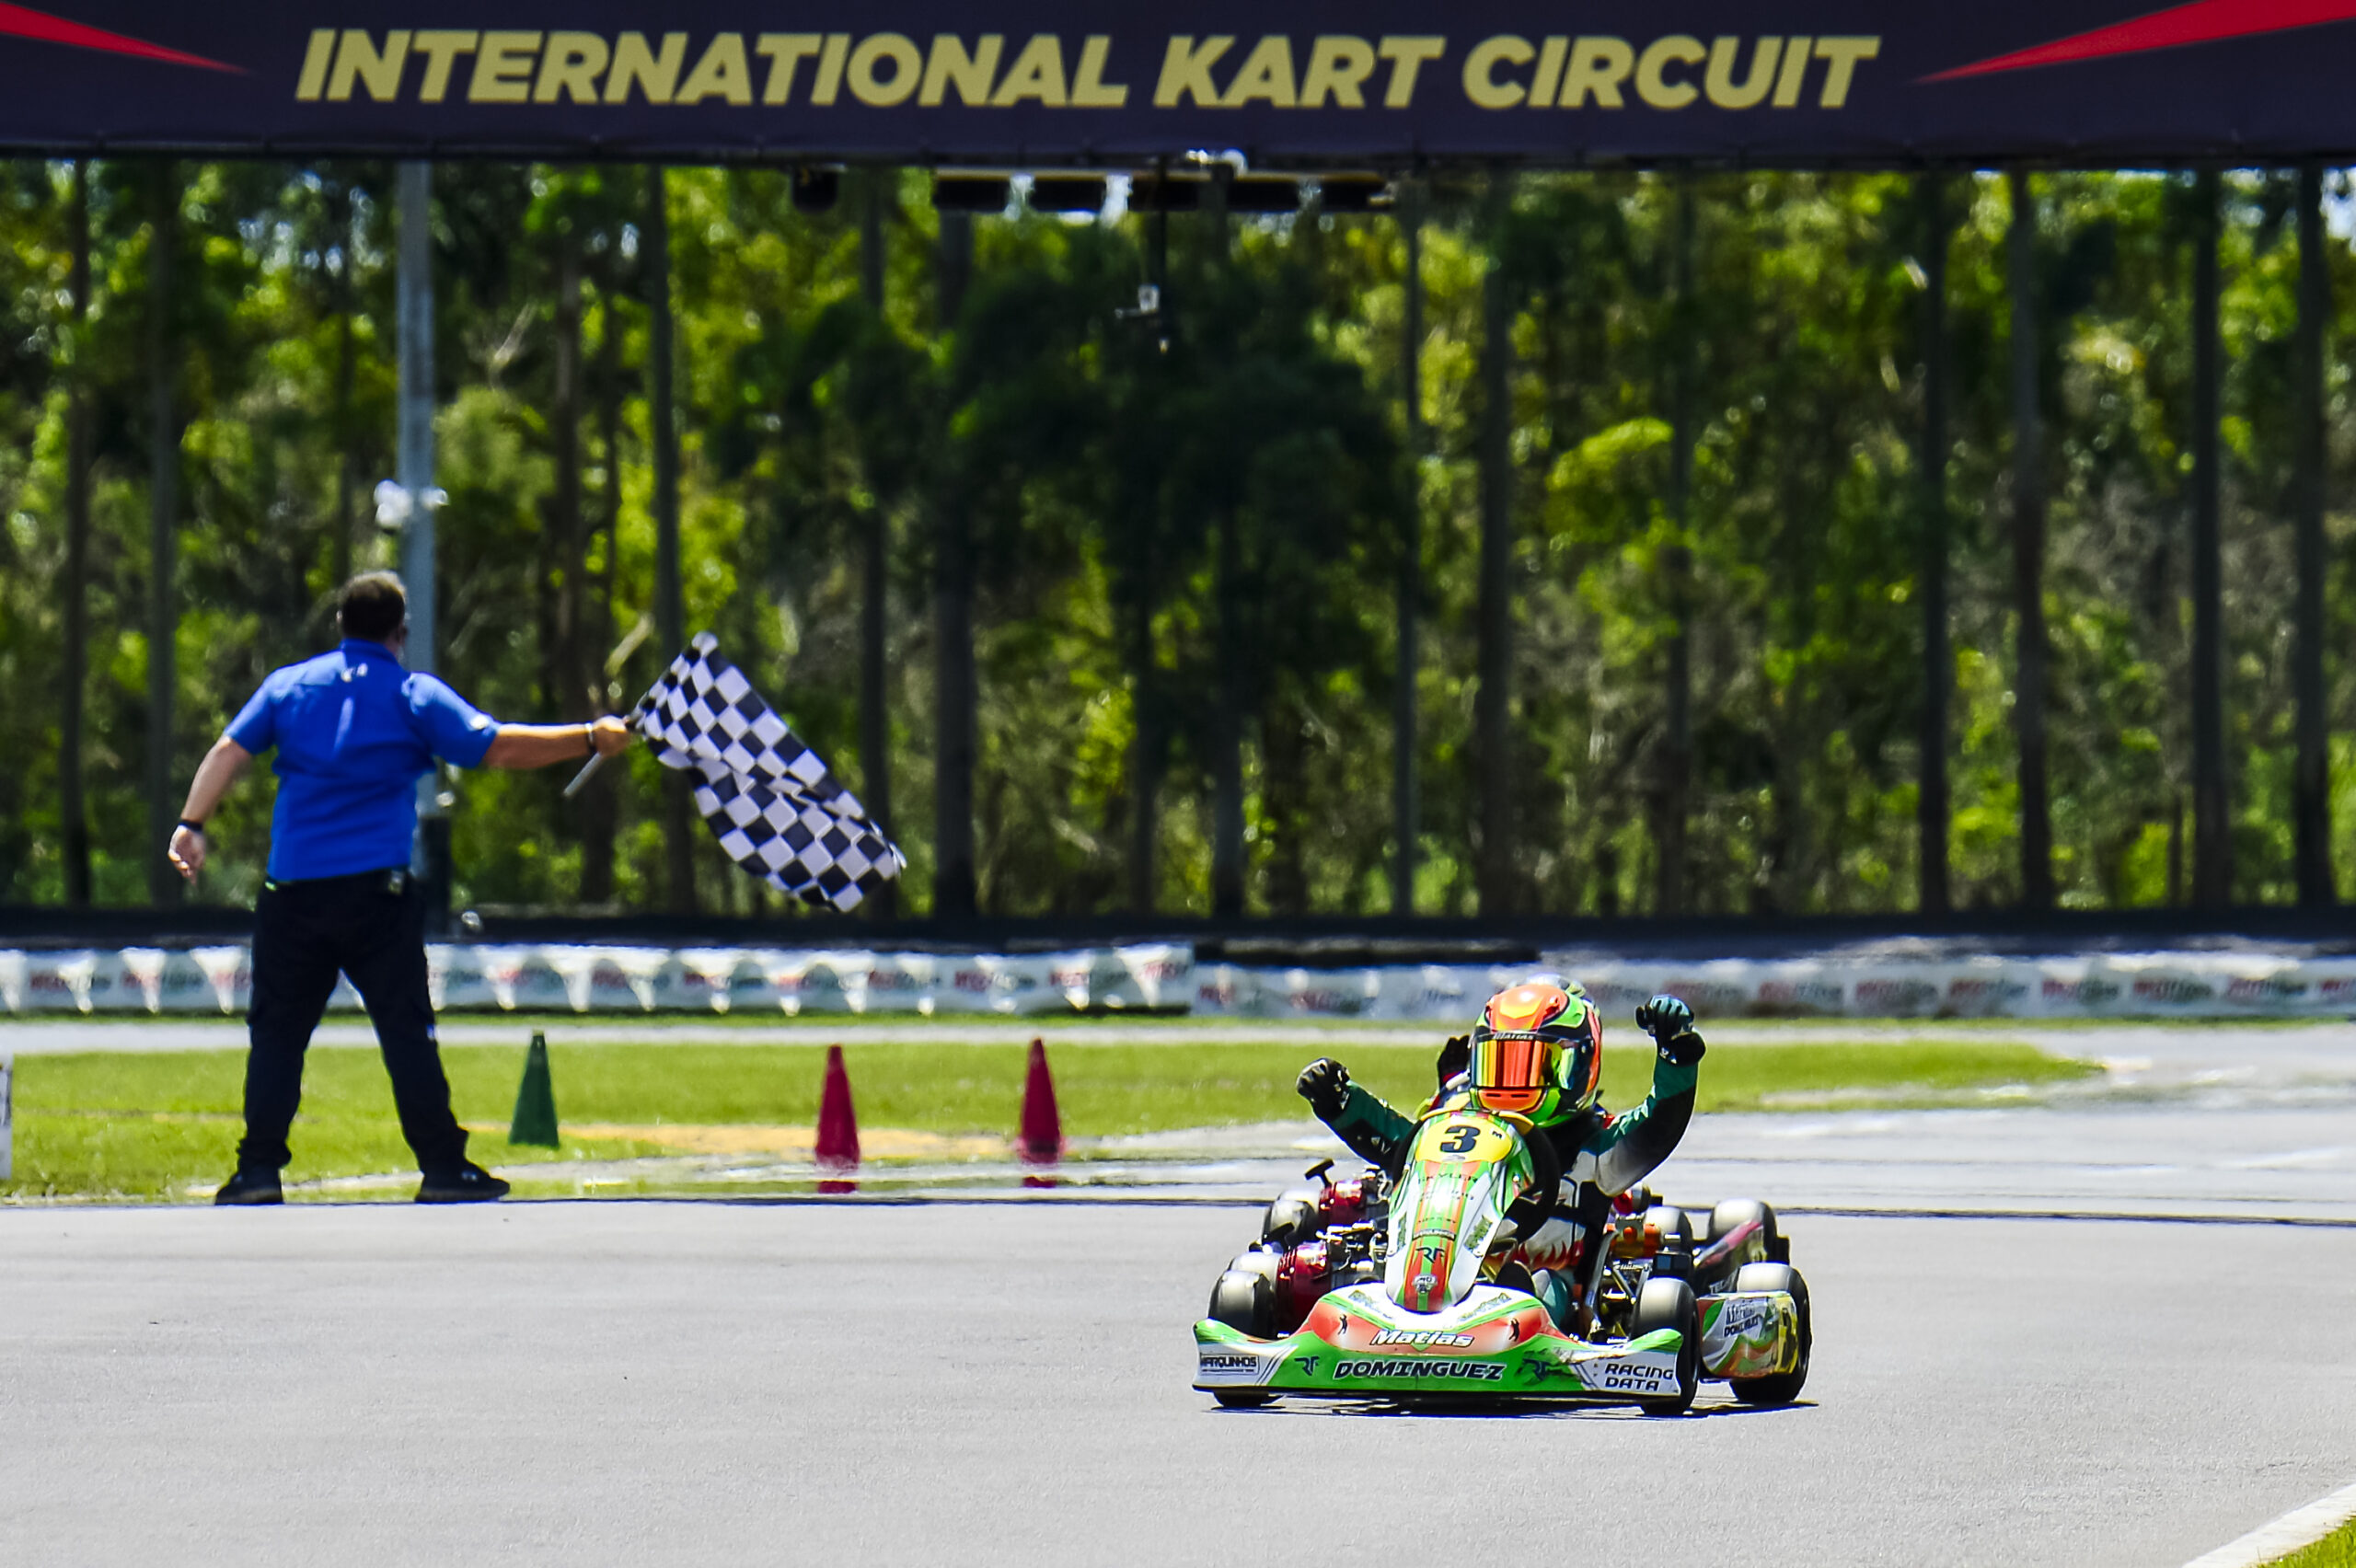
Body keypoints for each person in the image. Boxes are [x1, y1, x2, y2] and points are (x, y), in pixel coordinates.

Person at [168, 571, 632, 1205]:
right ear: (400, 633)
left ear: (340, 626)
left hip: (293, 893)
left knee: (278, 1035)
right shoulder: (413, 694)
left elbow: (227, 751)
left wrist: (192, 824)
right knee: (405, 1032)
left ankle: (257, 1171)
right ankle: (442, 1166)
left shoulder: (290, 686)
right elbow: (493, 748)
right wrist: (587, 737)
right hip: (374, 898)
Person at [1294, 978, 1705, 1329]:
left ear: (1579, 1066)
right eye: (1500, 1063)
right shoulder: (1457, 1126)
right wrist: (1342, 1104)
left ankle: (1500, 1320)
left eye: (1532, 1066)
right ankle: (1395, 1304)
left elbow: (1657, 1127)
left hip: (1542, 1294)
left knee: (1533, 1288)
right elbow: (1403, 1143)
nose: (1513, 1085)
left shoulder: (1594, 1144)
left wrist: (1676, 1057)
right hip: (1439, 1270)